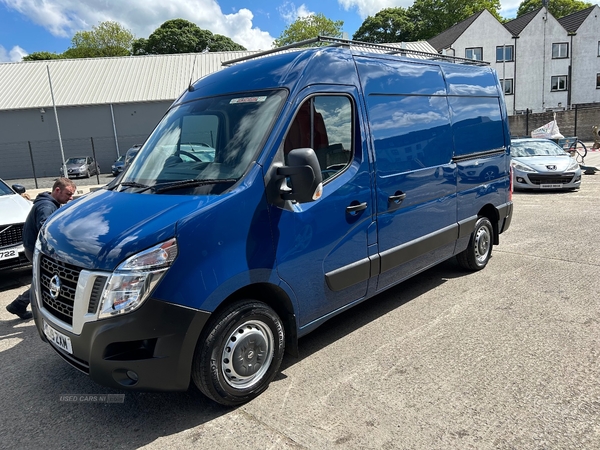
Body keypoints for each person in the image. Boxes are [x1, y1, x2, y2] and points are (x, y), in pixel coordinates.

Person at [5, 178, 76, 320]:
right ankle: (22, 305)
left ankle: (18, 304)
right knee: (48, 280)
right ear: (57, 190)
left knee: (42, 279)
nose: (71, 197)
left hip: (32, 246)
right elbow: (47, 231)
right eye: (68, 194)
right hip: (35, 249)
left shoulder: (50, 203)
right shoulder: (46, 207)